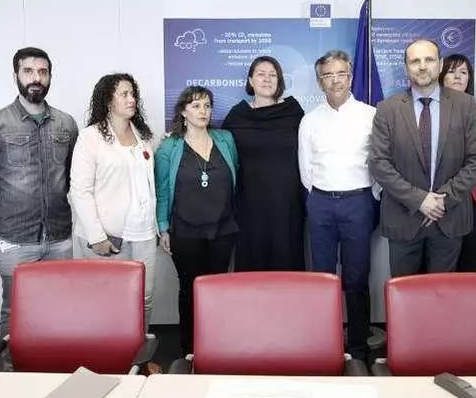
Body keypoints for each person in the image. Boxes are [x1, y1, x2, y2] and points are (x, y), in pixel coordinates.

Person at [0, 47, 79, 368]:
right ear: (16, 76)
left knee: (58, 306)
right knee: (15, 308)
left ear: (50, 77)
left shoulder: (66, 124)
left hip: (59, 236)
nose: (36, 78)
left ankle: (53, 367)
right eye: (28, 71)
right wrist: (7, 209)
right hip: (14, 238)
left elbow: (71, 176)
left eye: (42, 72)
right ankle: (13, 370)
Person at [369, 39, 476, 277]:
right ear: (406, 68)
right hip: (403, 217)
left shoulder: (465, 105)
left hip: (448, 217)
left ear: (440, 65)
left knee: (441, 294)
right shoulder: (387, 109)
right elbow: (379, 163)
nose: (422, 66)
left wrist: (443, 200)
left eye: (429, 60)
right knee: (403, 293)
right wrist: (420, 200)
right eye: (415, 61)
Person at [298, 50, 378, 362]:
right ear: (320, 81)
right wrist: (319, 197)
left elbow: (379, 164)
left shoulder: (370, 115)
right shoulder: (310, 120)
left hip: (358, 202)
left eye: (341, 73)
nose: (335, 80)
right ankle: (325, 344)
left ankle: (357, 348)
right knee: (323, 277)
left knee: (357, 278)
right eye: (328, 75)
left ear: (350, 76)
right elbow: (305, 168)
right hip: (321, 204)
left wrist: (370, 196)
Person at [70, 73, 158, 332]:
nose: (132, 99)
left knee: (144, 298)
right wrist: (96, 236)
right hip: (107, 237)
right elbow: (80, 190)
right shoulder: (91, 137)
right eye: (124, 94)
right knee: (107, 302)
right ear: (108, 100)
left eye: (133, 94)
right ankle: (107, 354)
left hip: (143, 234)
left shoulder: (143, 135)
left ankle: (139, 351)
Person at [155, 86, 238, 355]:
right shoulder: (169, 147)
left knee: (217, 288)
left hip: (223, 229)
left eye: (207, 106)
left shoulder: (225, 139)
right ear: (183, 112)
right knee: (189, 289)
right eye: (196, 106)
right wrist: (163, 228)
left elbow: (235, 176)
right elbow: (162, 191)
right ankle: (189, 349)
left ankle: (217, 346)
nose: (203, 111)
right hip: (185, 231)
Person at [221, 56, 305, 271]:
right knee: (253, 263)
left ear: (279, 81)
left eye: (272, 75)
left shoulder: (294, 112)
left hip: (287, 204)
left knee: (287, 260)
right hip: (250, 204)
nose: (267, 79)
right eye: (261, 74)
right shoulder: (237, 115)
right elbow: (218, 149)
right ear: (250, 80)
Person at [438, 54, 476, 271]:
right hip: (437, 195)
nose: (458, 77)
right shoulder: (430, 108)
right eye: (451, 71)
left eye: (463, 72)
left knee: (467, 262)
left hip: (470, 196)